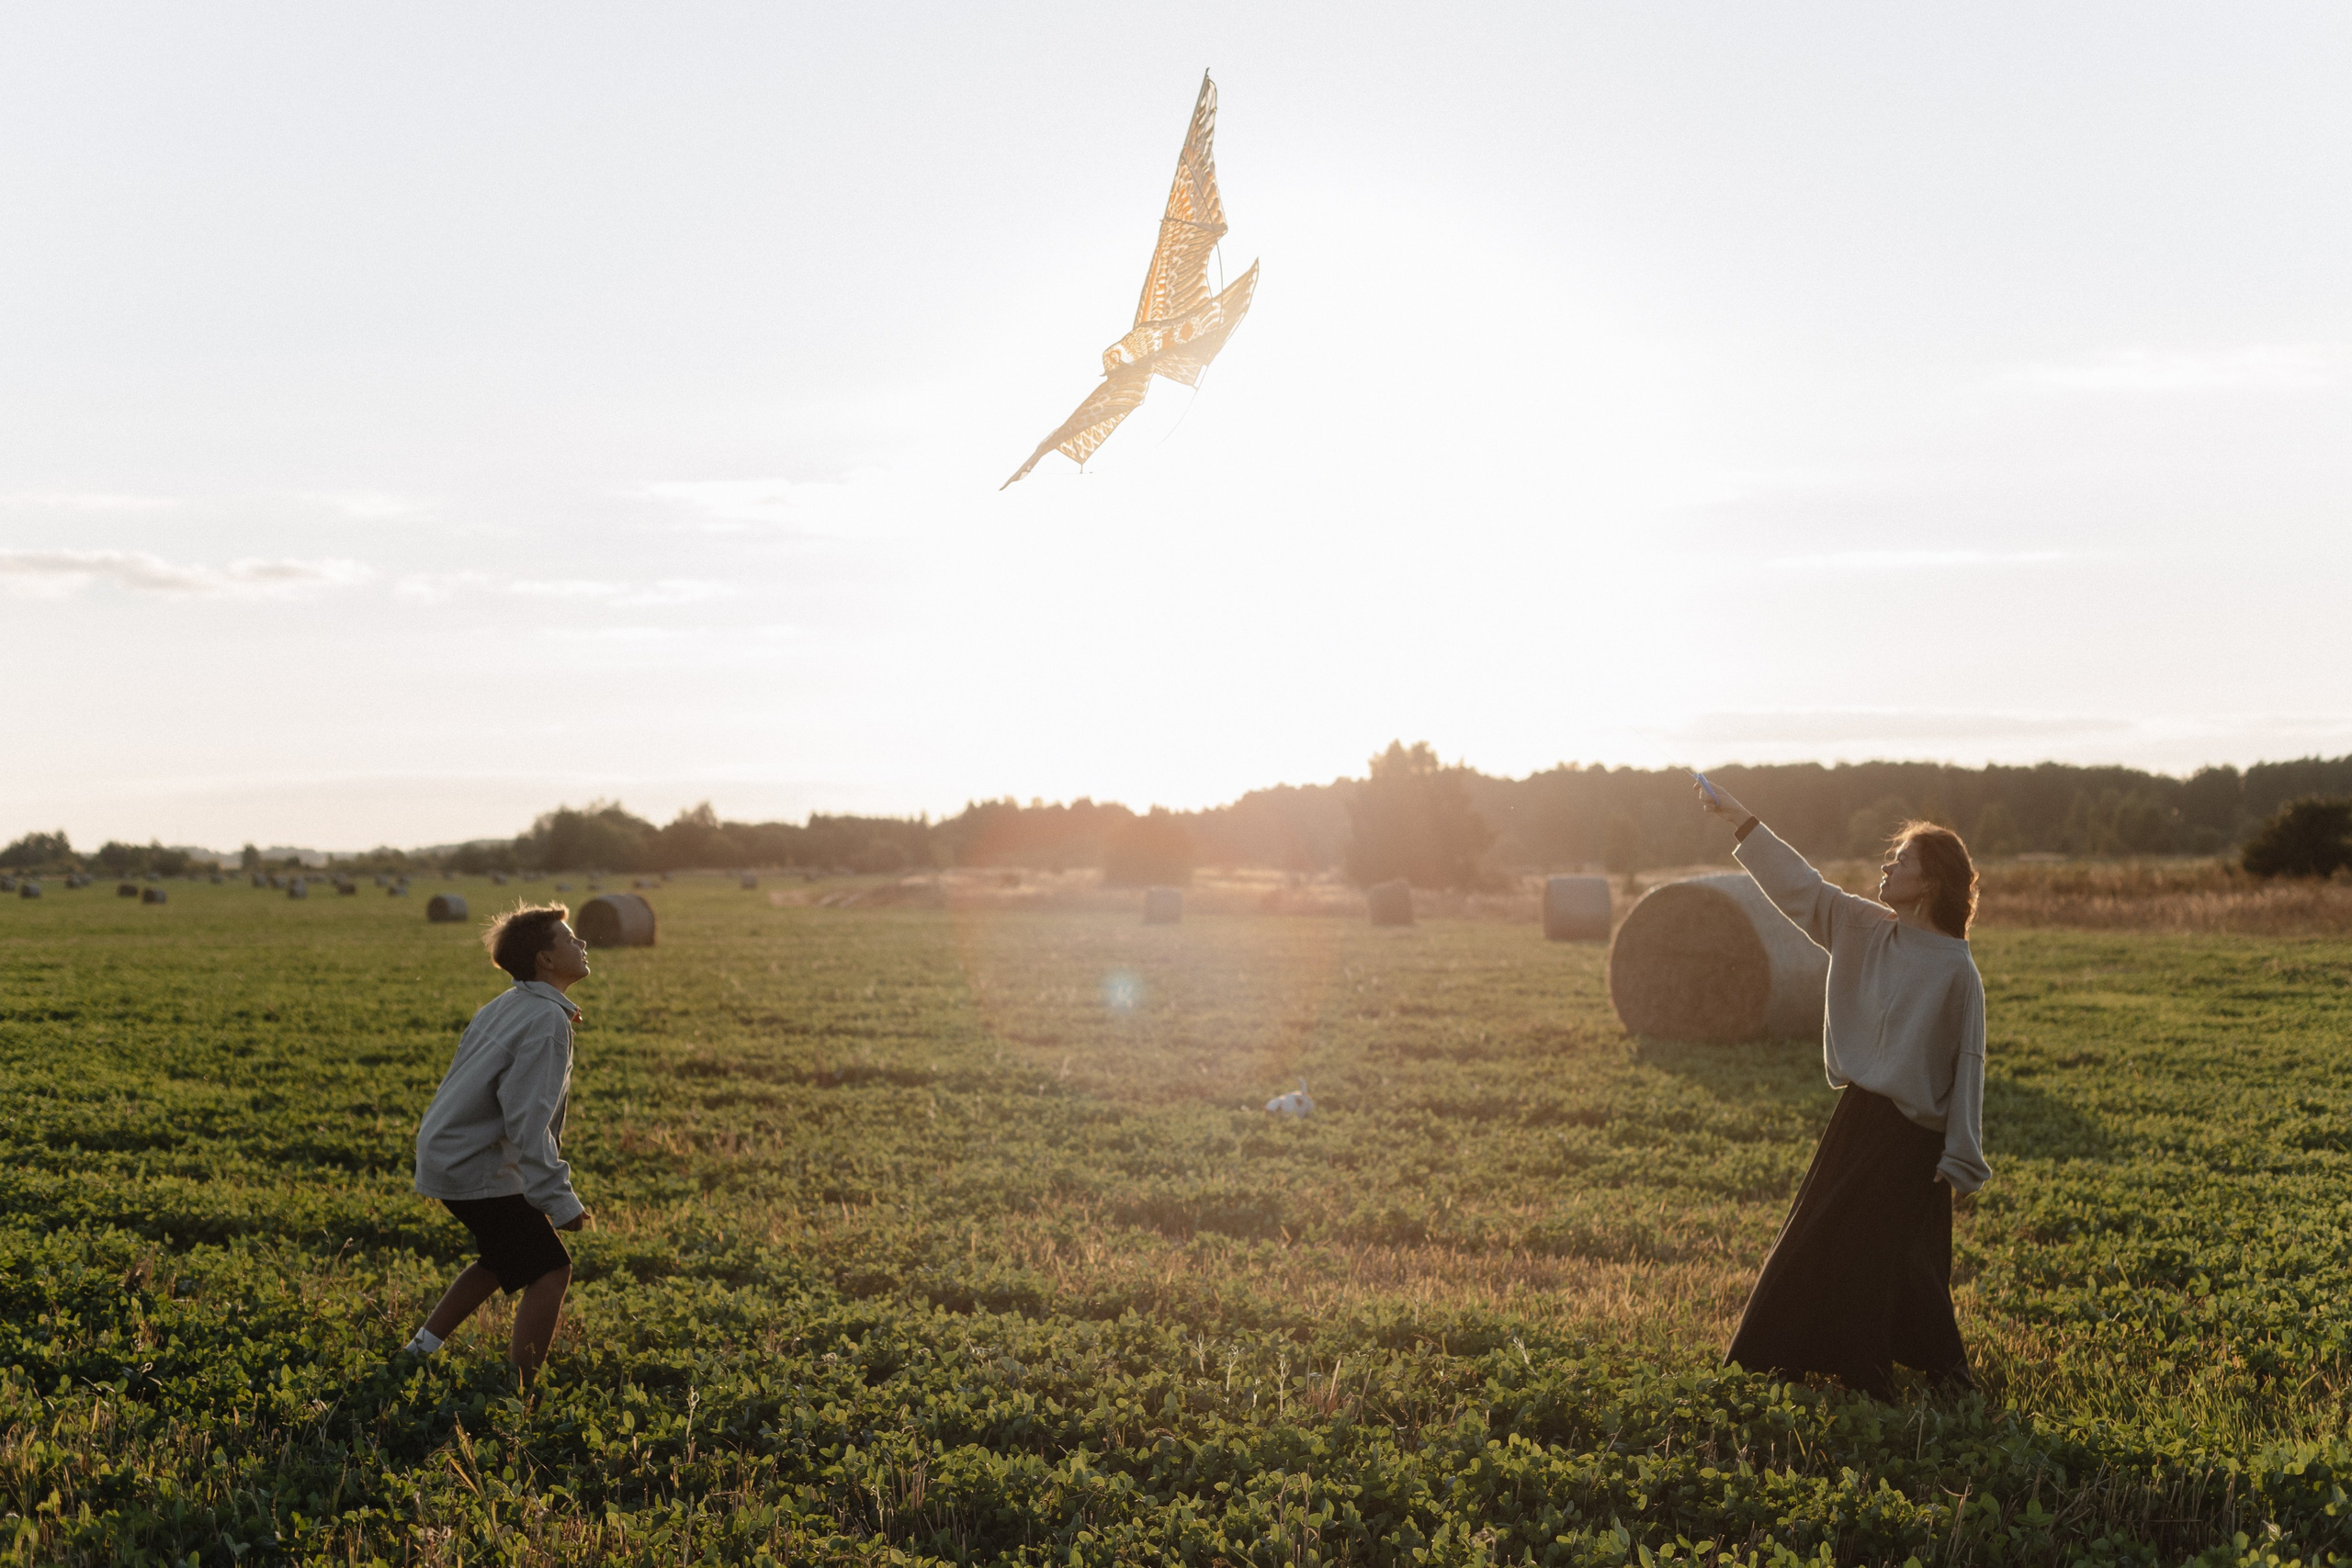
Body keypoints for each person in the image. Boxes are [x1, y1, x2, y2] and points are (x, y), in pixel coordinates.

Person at [1694, 780, 1989, 1400]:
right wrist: (1743, 819)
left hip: (1914, 1138)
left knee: (1896, 1258)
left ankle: (1931, 1373)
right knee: (1826, 1239)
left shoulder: (1957, 969)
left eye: (1901, 859)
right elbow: (1801, 888)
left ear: (1931, 881)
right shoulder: (1864, 926)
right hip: (1858, 1118)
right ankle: (1797, 1364)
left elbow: (1968, 1065)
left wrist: (1958, 1152)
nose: (1889, 864)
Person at [402, 903, 594, 1384]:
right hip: (473, 1163)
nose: (582, 944)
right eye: (569, 939)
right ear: (545, 960)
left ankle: (416, 1352)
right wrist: (559, 1198)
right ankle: (519, 1393)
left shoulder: (510, 1004)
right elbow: (529, 1120)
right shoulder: (544, 1021)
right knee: (550, 1269)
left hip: (450, 1152)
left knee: (502, 1258)